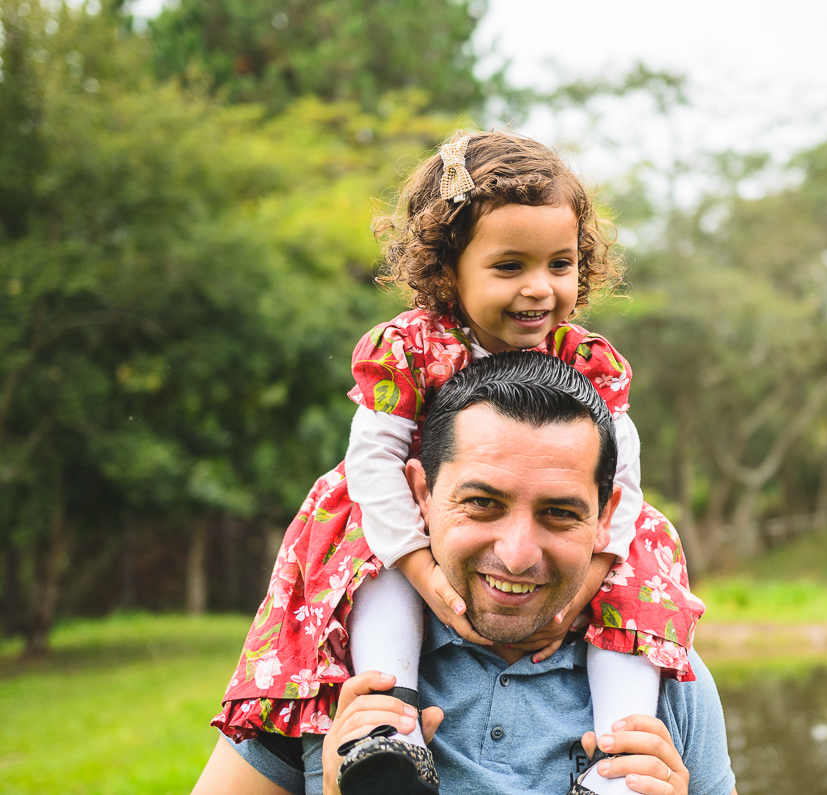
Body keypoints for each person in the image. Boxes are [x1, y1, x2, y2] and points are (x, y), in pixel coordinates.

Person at [211, 131, 704, 795]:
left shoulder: (587, 362)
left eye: (559, 264)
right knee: (368, 548)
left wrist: (582, 585)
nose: (540, 289)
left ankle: (621, 758)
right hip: (394, 514)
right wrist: (420, 567)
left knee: (641, 563)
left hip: (585, 551)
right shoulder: (412, 348)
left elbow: (624, 484)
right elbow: (374, 462)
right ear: (450, 270)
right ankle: (390, 727)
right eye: (510, 267)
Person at [194, 353, 736, 795]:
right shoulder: (326, 666)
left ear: (607, 518)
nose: (519, 553)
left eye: (560, 512)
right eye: (481, 503)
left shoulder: (667, 683)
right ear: (421, 496)